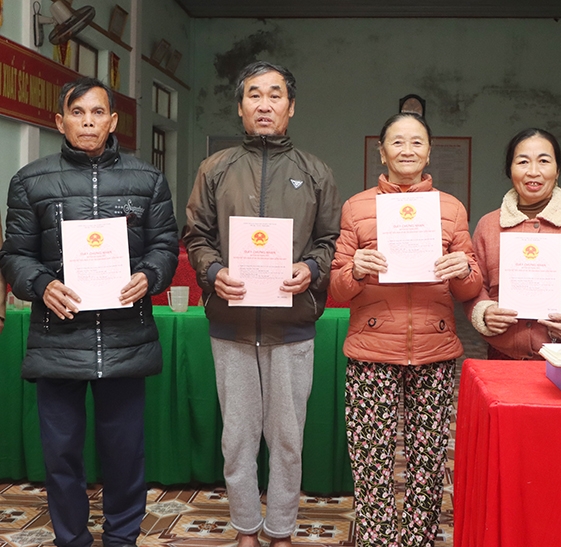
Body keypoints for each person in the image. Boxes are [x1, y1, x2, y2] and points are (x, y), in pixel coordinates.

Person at [0, 77, 178, 547]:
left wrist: (150, 276)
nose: (87, 122)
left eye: (97, 113)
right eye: (77, 113)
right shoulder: (30, 180)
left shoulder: (147, 180)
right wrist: (40, 284)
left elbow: (165, 246)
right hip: (57, 340)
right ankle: (71, 539)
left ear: (113, 121)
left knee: (124, 455)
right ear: (60, 121)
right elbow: (14, 254)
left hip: (125, 339)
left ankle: (122, 539)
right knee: (61, 457)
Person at [183, 61, 340, 547]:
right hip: (231, 326)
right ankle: (248, 528)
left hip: (291, 328)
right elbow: (196, 236)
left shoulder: (315, 171)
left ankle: (282, 529)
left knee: (288, 442)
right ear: (241, 106)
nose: (265, 104)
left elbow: (331, 240)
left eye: (275, 95)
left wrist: (311, 269)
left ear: (291, 108)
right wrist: (213, 272)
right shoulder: (215, 168)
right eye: (255, 95)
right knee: (238, 440)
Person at [330, 112, 481, 547]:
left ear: (429, 151)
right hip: (371, 349)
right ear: (382, 151)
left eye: (417, 142)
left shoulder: (450, 208)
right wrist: (354, 269)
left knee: (428, 460)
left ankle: (418, 539)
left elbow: (471, 286)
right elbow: (337, 288)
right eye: (397, 142)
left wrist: (463, 268)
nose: (407, 150)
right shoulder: (357, 207)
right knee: (371, 459)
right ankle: (376, 539)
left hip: (435, 350)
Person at [465, 128, 561, 359]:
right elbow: (474, 287)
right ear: (510, 169)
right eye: (523, 162)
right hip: (503, 356)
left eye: (544, 161)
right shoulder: (488, 225)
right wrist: (484, 312)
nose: (533, 172)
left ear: (557, 170)